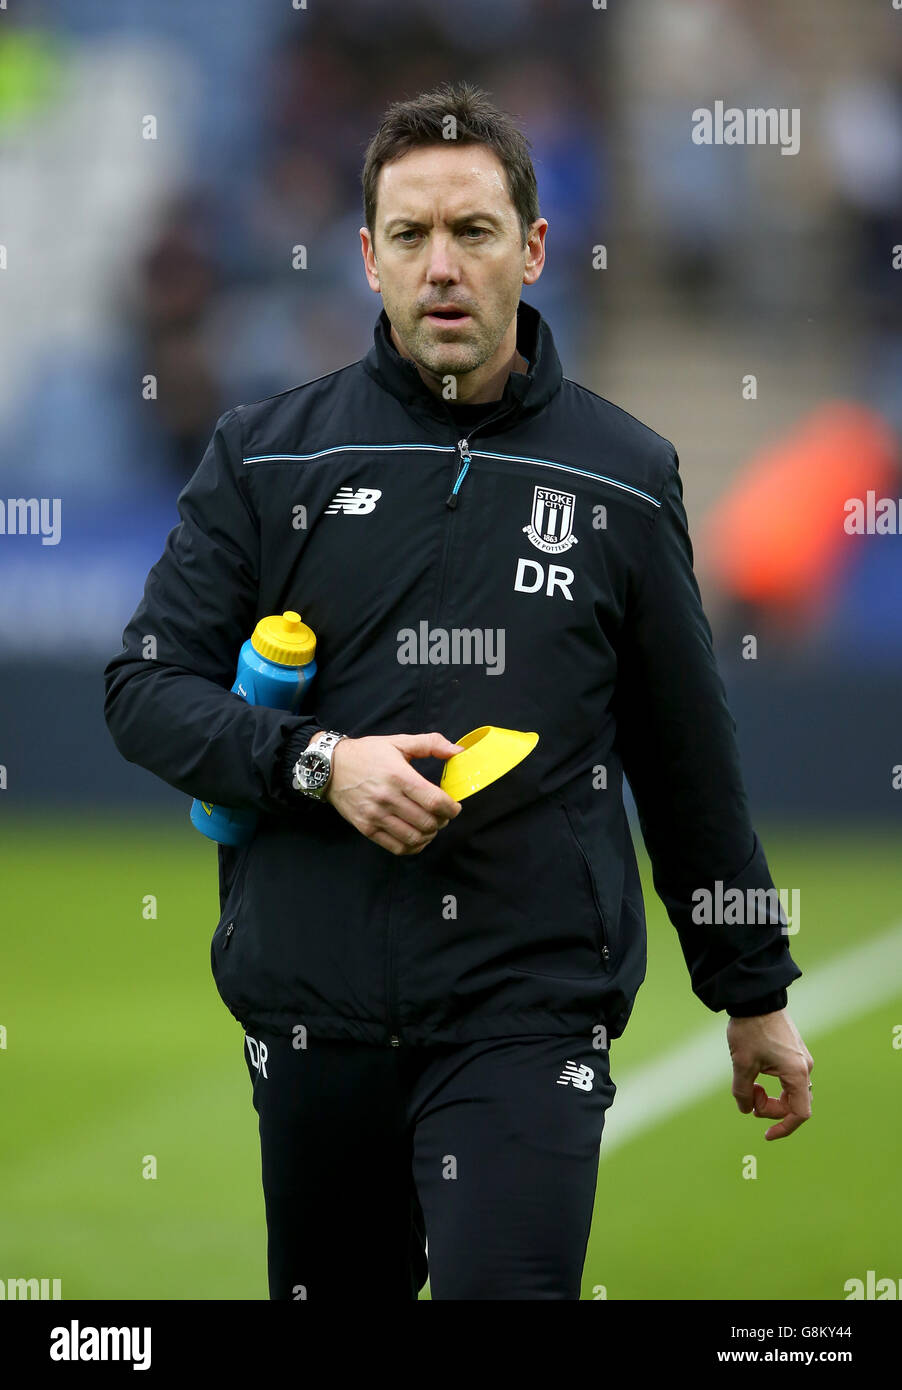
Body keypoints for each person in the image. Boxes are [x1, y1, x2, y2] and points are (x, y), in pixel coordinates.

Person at [103, 81, 811, 1302]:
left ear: (531, 251)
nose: (443, 266)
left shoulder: (625, 477)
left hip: (525, 1014)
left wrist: (750, 990)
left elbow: (684, 755)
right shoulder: (269, 456)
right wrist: (321, 764)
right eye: (413, 236)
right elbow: (143, 690)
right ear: (366, 256)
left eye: (474, 232)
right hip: (313, 1012)